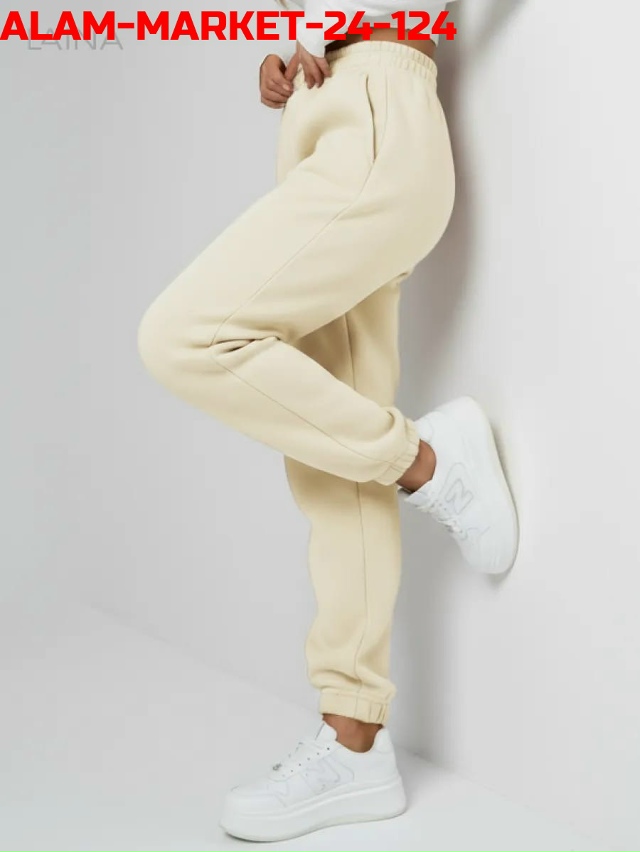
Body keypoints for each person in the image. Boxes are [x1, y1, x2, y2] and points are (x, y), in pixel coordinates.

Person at [136, 0, 519, 841]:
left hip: (379, 104)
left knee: (184, 336)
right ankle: (355, 746)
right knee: (329, 460)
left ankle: (426, 462)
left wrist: (328, 26)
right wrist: (287, 41)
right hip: (325, 110)